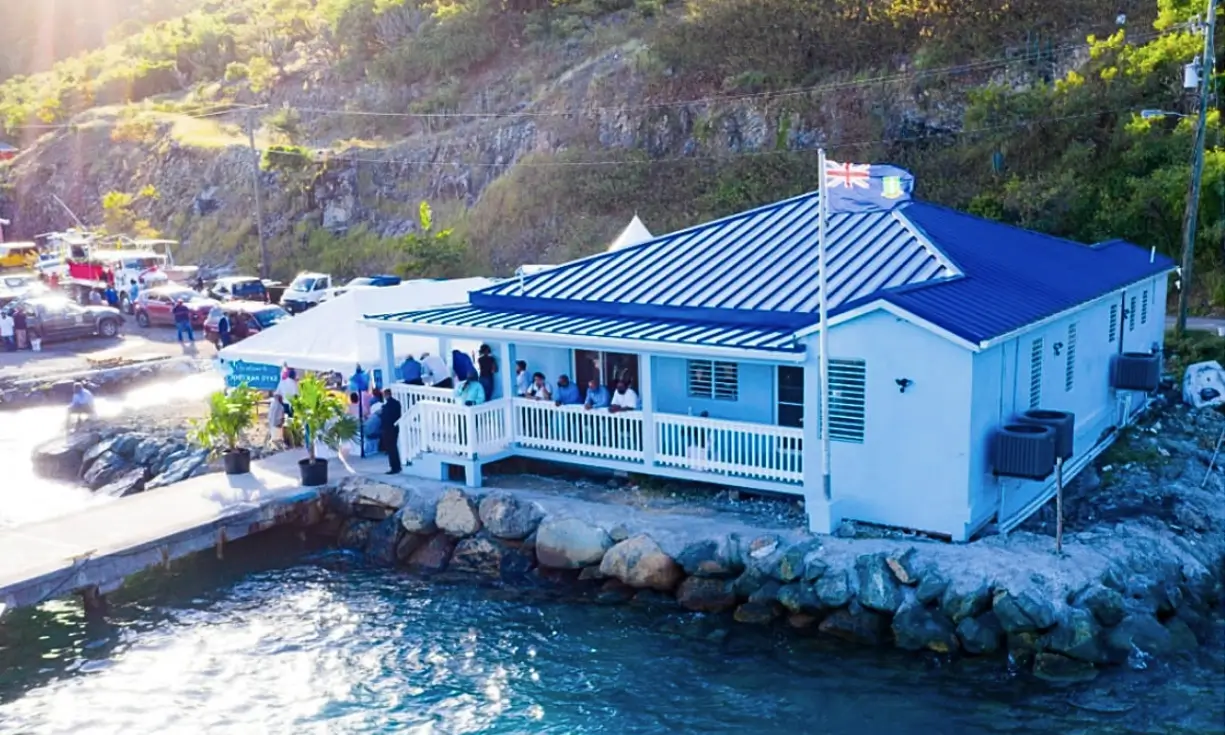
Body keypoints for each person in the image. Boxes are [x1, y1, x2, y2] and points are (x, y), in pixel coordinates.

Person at [381, 387, 402, 474]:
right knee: (394, 448)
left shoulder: (386, 407)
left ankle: (394, 467)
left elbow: (385, 418)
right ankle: (397, 466)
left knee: (391, 449)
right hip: (395, 428)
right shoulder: (397, 403)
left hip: (388, 429)